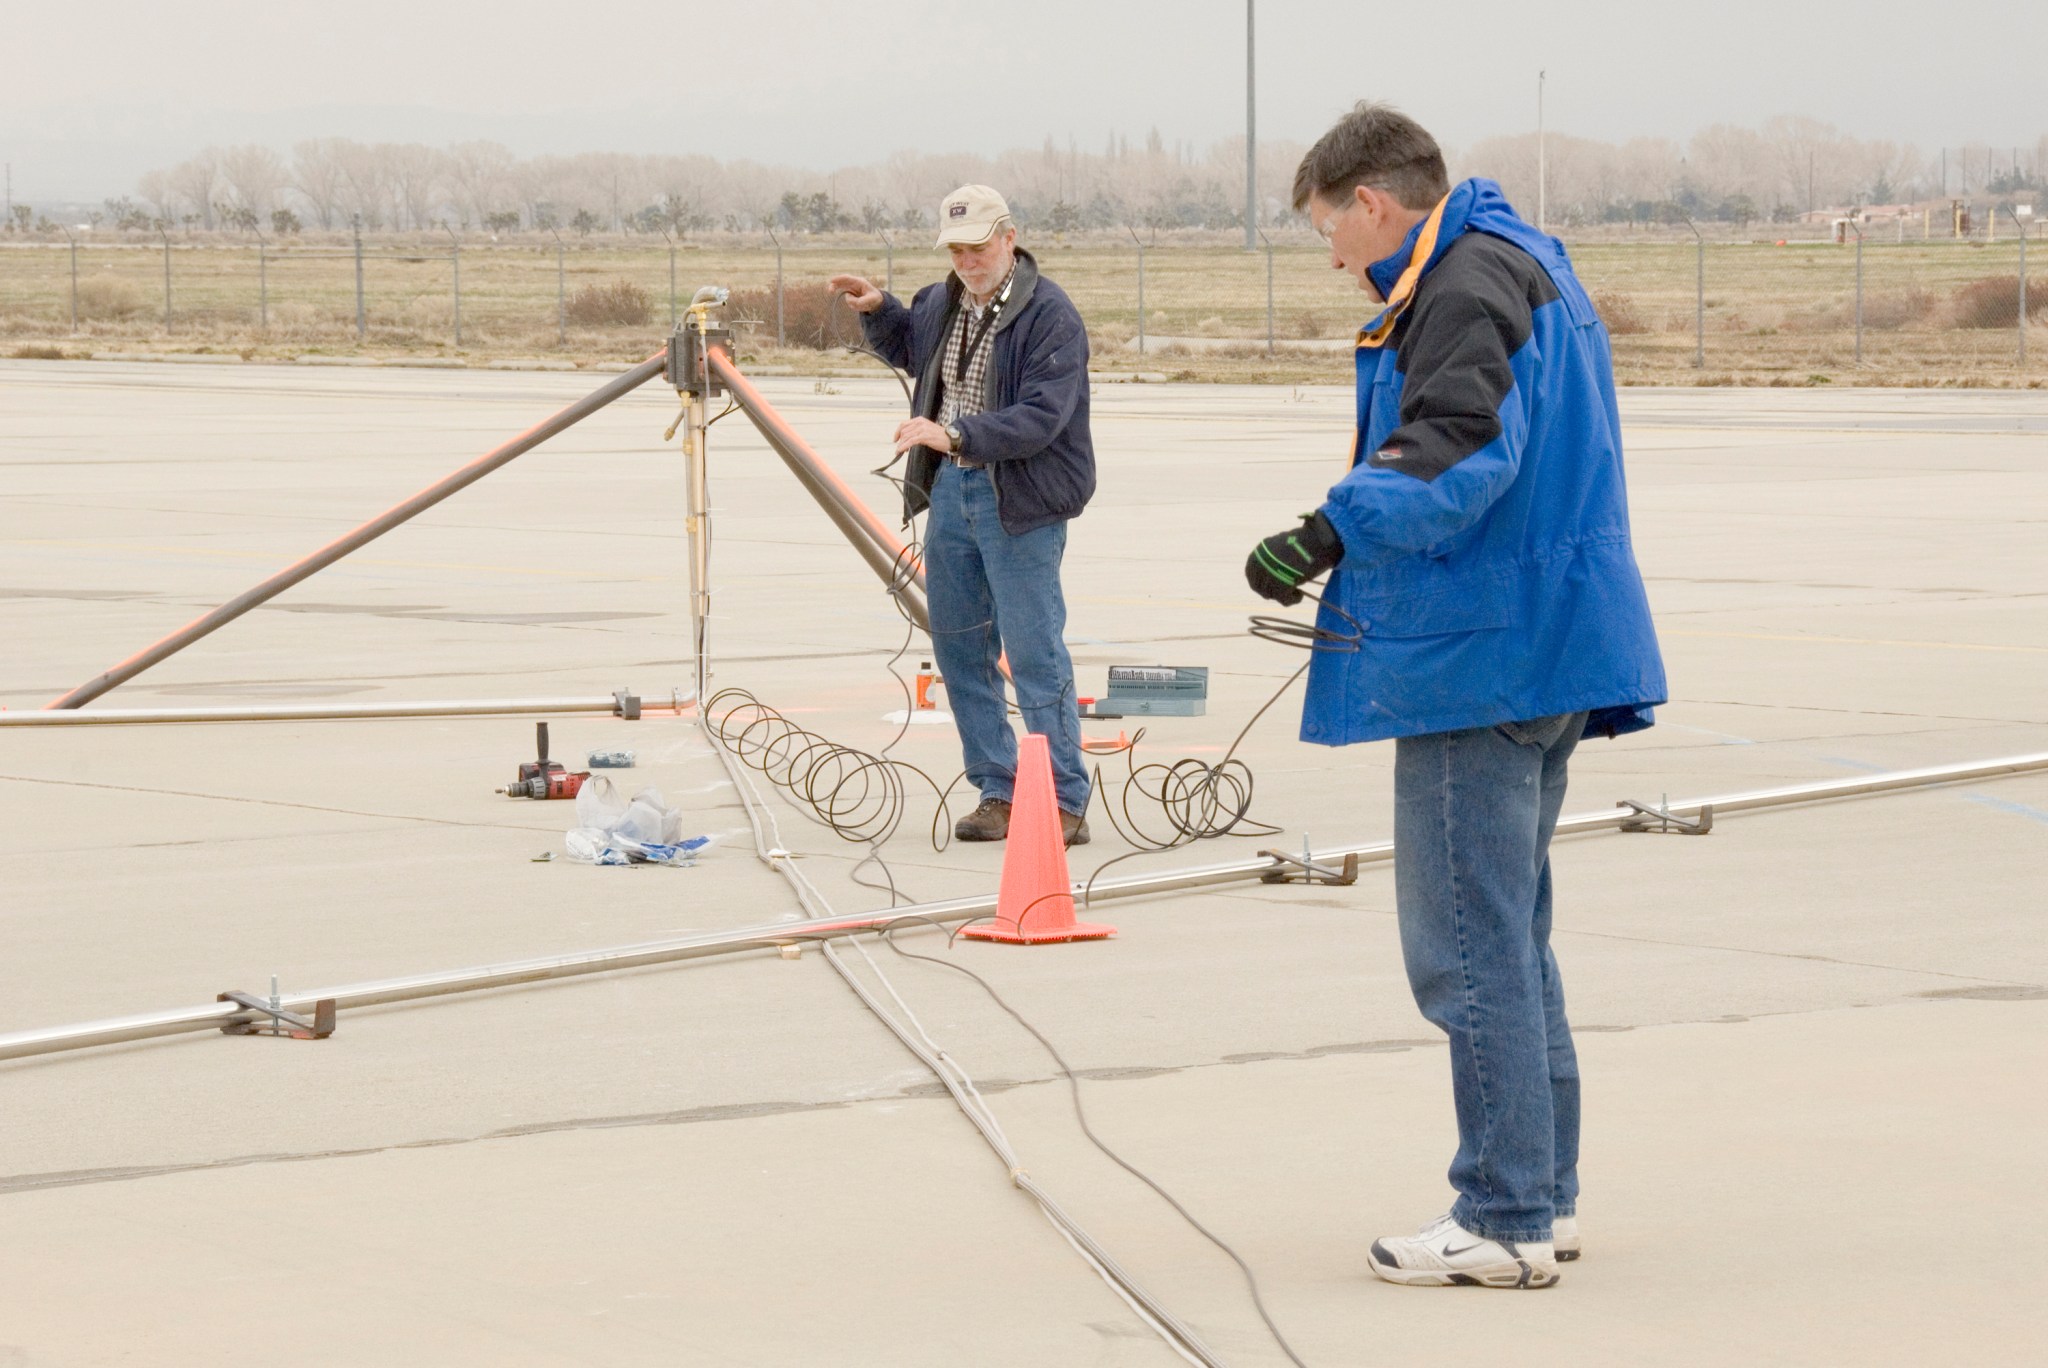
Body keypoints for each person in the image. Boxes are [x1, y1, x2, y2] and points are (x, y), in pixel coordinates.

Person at [1244, 103, 1666, 1289]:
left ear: (1371, 204)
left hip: (1480, 656)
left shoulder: (1464, 283)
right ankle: (1543, 1191)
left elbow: (1457, 451)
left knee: (1465, 948)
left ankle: (1502, 1214)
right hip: (1537, 640)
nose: (1330, 255)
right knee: (1511, 939)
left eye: (1328, 229)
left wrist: (1328, 527)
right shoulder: (1518, 261)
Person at [830, 185, 1095, 846]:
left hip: (1020, 496)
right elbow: (915, 347)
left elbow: (1041, 417)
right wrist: (879, 310)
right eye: (956, 250)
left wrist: (955, 437)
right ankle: (998, 788)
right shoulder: (942, 299)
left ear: (1010, 237)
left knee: (1033, 650)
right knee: (958, 646)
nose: (967, 261)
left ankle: (1063, 798)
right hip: (953, 493)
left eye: (978, 247)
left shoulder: (1050, 316)